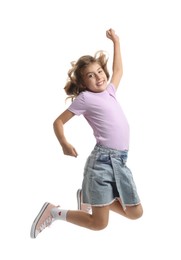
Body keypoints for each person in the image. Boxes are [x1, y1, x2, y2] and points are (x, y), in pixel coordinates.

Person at [30, 28, 143, 239]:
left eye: (99, 71)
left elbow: (118, 70)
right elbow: (58, 121)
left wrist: (116, 42)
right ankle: (54, 212)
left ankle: (88, 197)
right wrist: (64, 143)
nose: (98, 77)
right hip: (101, 162)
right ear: (83, 83)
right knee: (99, 224)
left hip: (119, 161)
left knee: (136, 212)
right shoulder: (85, 99)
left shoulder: (109, 91)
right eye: (90, 76)